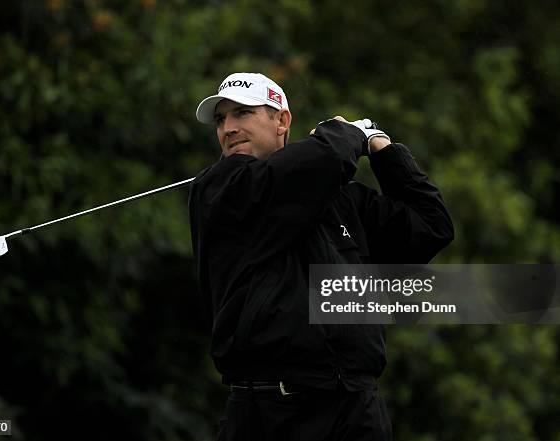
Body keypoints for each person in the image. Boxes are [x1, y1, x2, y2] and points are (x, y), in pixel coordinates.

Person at [188, 72, 454, 441]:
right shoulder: (220, 188)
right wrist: (347, 133)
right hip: (269, 415)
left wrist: (384, 149)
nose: (228, 128)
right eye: (221, 119)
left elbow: (431, 225)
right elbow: (323, 158)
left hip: (356, 413)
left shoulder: (340, 199)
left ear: (281, 121)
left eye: (242, 114)